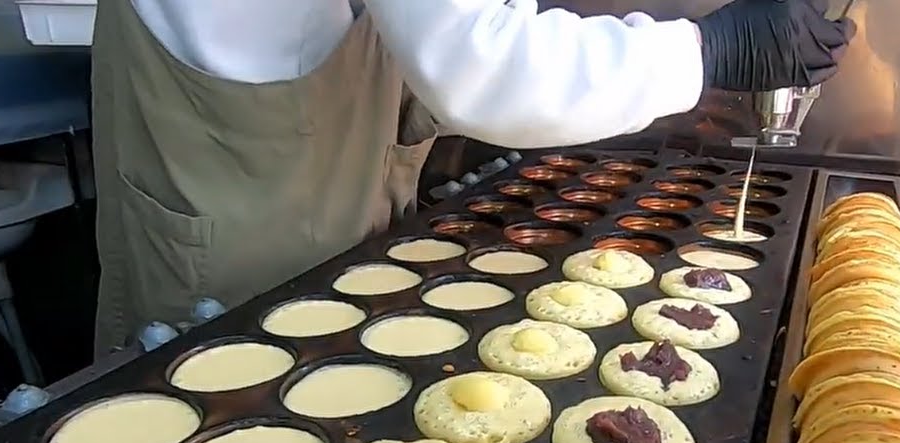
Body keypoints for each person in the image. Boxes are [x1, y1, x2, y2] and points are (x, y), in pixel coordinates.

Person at [90, 0, 855, 354]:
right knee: (224, 403)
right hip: (225, 178)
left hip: (330, 169)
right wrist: (703, 53)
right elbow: (475, 59)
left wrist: (652, 92)